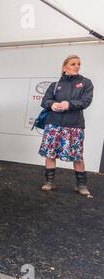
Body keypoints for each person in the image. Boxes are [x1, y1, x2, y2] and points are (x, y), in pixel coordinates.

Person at [39, 55, 94, 196]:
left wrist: (69, 104)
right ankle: (49, 182)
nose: (77, 66)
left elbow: (86, 101)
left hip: (75, 125)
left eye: (79, 64)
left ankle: (81, 185)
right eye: (73, 64)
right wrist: (53, 104)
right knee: (50, 154)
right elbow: (45, 101)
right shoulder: (55, 85)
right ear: (64, 67)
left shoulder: (86, 83)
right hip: (54, 124)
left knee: (77, 156)